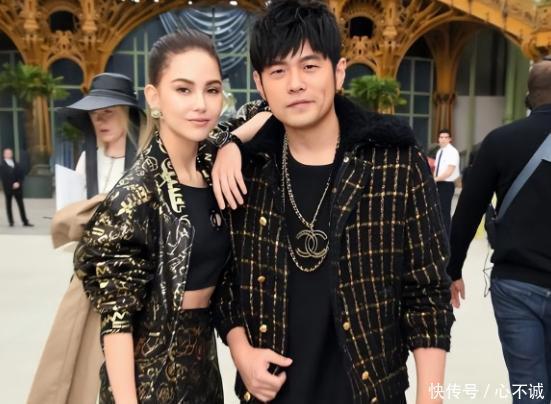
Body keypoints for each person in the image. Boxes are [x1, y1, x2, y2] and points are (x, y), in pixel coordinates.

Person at [210, 1, 454, 403]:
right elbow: (225, 280)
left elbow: (427, 294)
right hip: (272, 395)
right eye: (278, 71)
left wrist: (432, 398)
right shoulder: (246, 173)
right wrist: (242, 353)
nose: (295, 84)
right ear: (260, 84)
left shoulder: (394, 163)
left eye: (309, 66)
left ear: (338, 72)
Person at [73, 29, 268, 404]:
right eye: (183, 89)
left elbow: (268, 110)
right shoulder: (136, 194)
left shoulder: (211, 164)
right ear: (154, 97)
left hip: (204, 374)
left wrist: (232, 144)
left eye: (212, 90)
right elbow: (117, 323)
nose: (201, 104)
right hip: (147, 378)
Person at [28, 73, 144, 404]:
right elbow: (69, 228)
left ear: (127, 112)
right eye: (95, 115)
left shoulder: (146, 160)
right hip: (90, 278)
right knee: (72, 362)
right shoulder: (86, 160)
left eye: (108, 112)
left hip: (135, 283)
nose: (101, 121)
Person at [449, 60, 551, 404]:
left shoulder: (500, 141)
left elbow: (468, 209)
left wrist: (452, 268)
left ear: (528, 97)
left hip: (516, 283)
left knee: (529, 386)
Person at [434, 129, 460, 235]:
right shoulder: (439, 152)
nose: (443, 139)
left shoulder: (452, 152)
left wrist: (434, 179)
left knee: (444, 212)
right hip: (438, 184)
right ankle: (439, 234)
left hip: (446, 185)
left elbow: (449, 171)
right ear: (438, 139)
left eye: (446, 137)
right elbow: (437, 169)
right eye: (441, 137)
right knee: (437, 210)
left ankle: (446, 236)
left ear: (450, 139)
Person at [0, 147, 33, 227]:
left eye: (10, 153)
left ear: (12, 154)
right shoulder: (1, 165)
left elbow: (21, 175)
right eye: (7, 153)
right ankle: (11, 221)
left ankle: (25, 221)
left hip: (18, 188)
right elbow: (3, 178)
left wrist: (18, 183)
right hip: (8, 188)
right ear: (4, 155)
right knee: (9, 205)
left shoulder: (16, 164)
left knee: (21, 205)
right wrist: (10, 185)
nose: (9, 154)